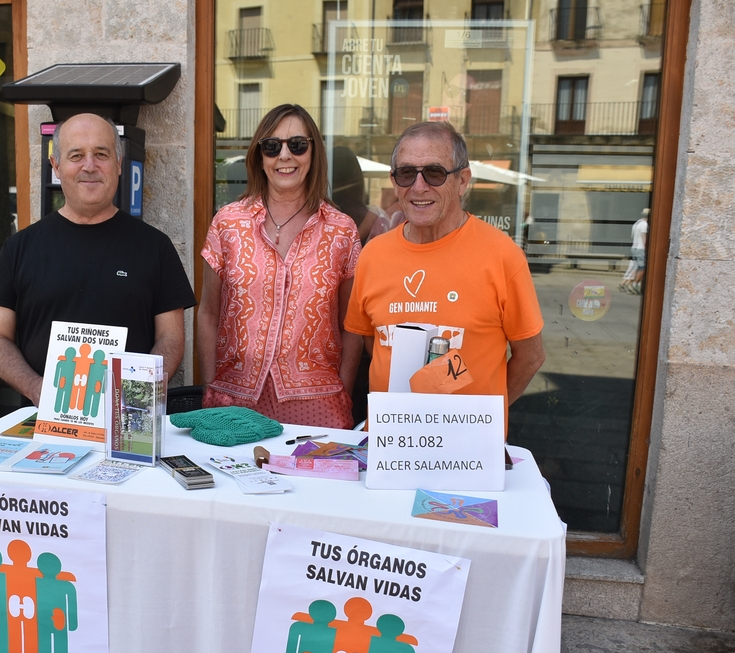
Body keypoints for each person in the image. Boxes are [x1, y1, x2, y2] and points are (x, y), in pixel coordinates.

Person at [0, 113, 197, 404]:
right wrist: (35, 388)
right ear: (56, 166)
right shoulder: (19, 248)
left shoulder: (155, 247)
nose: (90, 166)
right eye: (76, 155)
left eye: (101, 154)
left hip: (129, 416)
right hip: (44, 420)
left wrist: (138, 393)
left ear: (119, 164)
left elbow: (171, 338)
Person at [344, 121, 545, 430]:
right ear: (394, 181)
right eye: (407, 173)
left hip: (467, 453)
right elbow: (375, 342)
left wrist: (482, 416)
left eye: (435, 173)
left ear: (462, 181)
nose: (419, 186)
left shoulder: (501, 255)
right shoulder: (373, 255)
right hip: (391, 446)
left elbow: (530, 357)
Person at [198, 104, 363, 430]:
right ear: (260, 156)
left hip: (319, 406)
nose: (284, 156)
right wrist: (210, 387)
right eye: (272, 147)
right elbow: (208, 313)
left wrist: (342, 392)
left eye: (297, 145)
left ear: (313, 152)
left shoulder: (341, 230)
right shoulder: (228, 223)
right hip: (233, 400)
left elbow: (352, 325)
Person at [621, 207, 649, 294]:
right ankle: (635, 284)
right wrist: (646, 247)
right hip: (641, 248)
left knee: (636, 266)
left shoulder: (637, 223)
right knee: (642, 268)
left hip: (634, 247)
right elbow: (644, 237)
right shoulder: (644, 224)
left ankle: (628, 283)